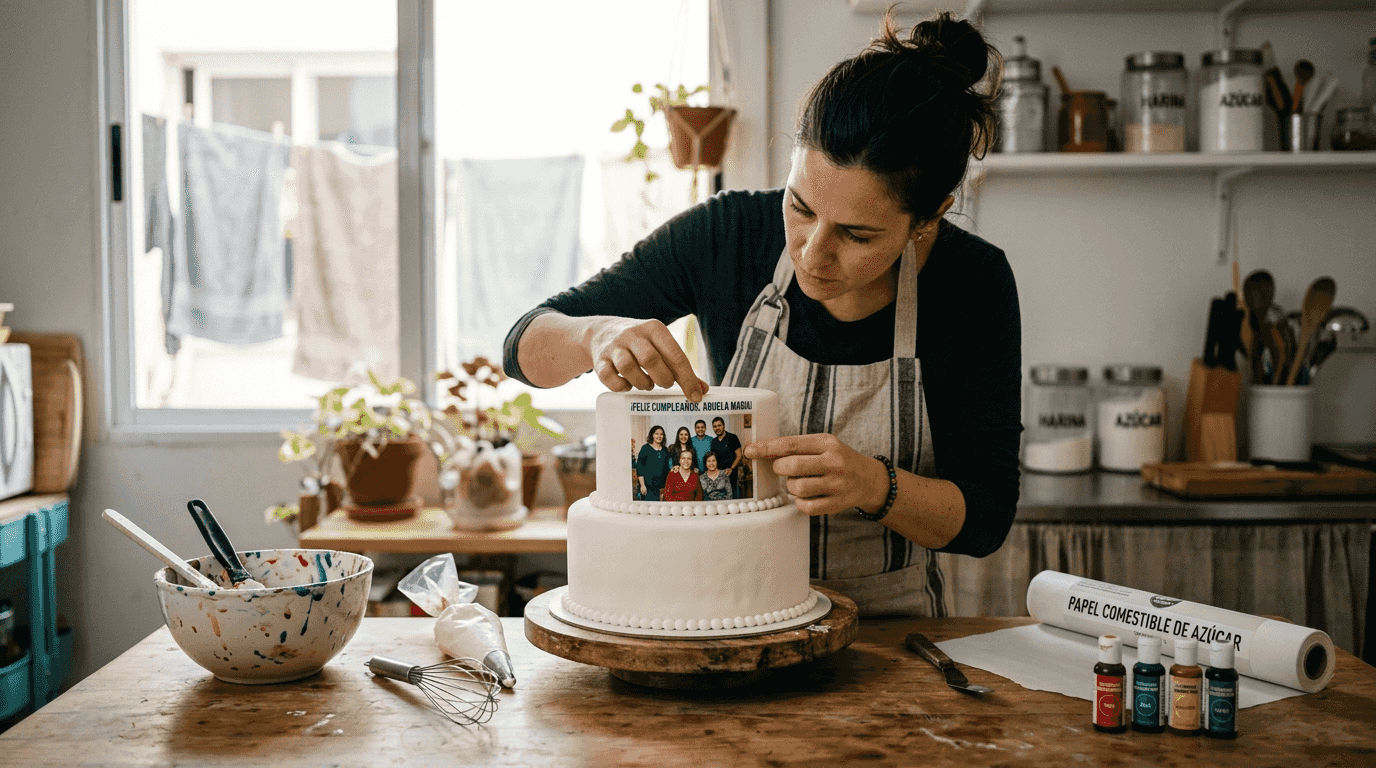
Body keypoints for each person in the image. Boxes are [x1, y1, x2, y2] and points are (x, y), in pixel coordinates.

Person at [503, 12, 1020, 617]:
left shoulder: (970, 281)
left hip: (890, 638)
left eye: (856, 235)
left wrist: (873, 485)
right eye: (800, 207)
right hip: (728, 614)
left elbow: (985, 520)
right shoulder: (728, 235)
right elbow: (522, 349)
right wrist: (596, 333)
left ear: (930, 217)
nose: (812, 252)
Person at [709, 416, 744, 497]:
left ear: (723, 426)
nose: (717, 428)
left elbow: (739, 455)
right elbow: (713, 459)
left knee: (733, 498)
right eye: (715, 426)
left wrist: (731, 469)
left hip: (732, 474)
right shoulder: (713, 442)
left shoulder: (732, 437)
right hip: (719, 477)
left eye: (719, 425)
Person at [635, 425, 671, 502]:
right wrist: (642, 485)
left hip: (662, 488)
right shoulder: (645, 448)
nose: (659, 436)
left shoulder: (665, 450)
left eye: (661, 434)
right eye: (656, 433)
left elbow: (667, 467)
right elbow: (640, 468)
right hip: (648, 488)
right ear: (652, 435)